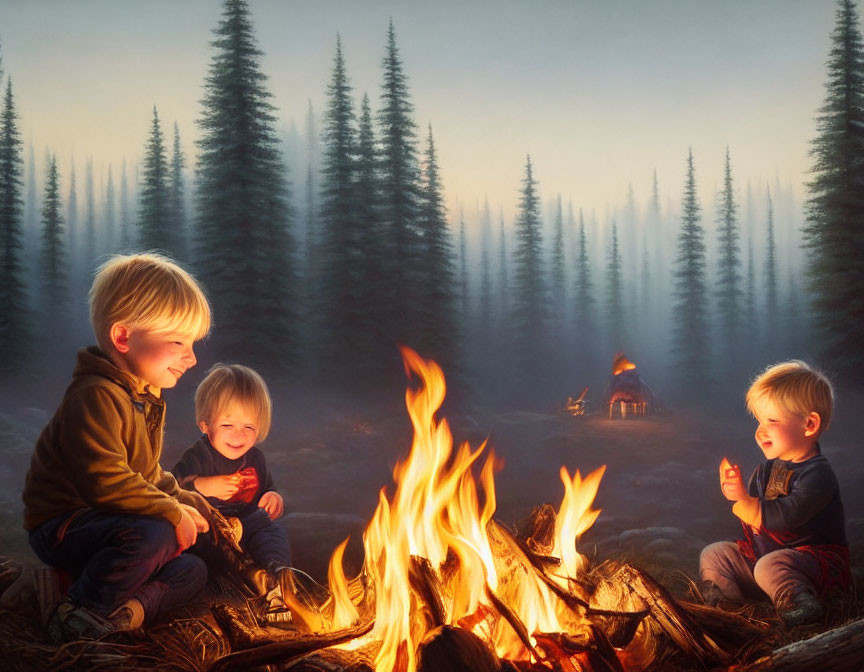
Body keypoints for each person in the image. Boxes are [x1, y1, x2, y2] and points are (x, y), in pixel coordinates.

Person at [18, 253, 213, 641]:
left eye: (192, 343)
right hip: (66, 524)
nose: (191, 357)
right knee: (156, 533)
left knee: (193, 569)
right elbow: (105, 481)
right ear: (123, 337)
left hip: (112, 524)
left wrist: (190, 502)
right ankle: (78, 613)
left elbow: (148, 474)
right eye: (178, 341)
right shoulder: (95, 396)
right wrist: (171, 512)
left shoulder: (143, 395)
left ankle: (126, 612)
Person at [699, 361, 849, 626]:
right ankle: (725, 606)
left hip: (813, 566)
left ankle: (800, 605)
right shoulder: (765, 470)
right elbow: (753, 519)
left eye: (772, 420)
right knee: (714, 553)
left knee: (771, 566)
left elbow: (785, 518)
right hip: (765, 559)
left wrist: (746, 503)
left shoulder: (817, 474)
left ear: (809, 425)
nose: (761, 429)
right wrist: (738, 494)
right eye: (759, 420)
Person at [171, 363, 292, 619]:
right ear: (205, 425)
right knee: (198, 542)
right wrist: (202, 485)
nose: (239, 435)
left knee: (270, 527)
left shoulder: (255, 458)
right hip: (210, 528)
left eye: (249, 427)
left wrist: (273, 496)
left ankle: (277, 576)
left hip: (246, 525)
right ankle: (247, 579)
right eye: (227, 425)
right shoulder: (198, 456)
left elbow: (266, 485)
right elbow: (174, 487)